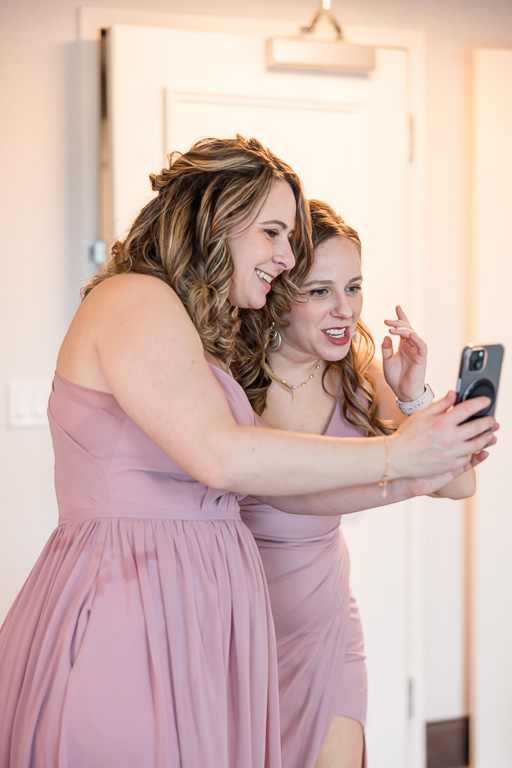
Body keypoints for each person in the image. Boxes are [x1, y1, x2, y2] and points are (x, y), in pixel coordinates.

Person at [0, 139, 493, 768]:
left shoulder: (188, 327)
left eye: (353, 286)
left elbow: (303, 488)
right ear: (216, 217)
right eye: (273, 234)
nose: (284, 257)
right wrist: (400, 459)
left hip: (215, 623)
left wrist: (416, 439)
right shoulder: (141, 303)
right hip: (137, 610)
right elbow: (226, 459)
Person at [238, 199, 495, 768]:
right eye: (319, 291)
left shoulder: (357, 378)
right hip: (235, 633)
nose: (344, 310)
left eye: (354, 288)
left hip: (326, 631)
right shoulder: (227, 378)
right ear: (278, 292)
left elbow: (458, 488)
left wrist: (411, 396)